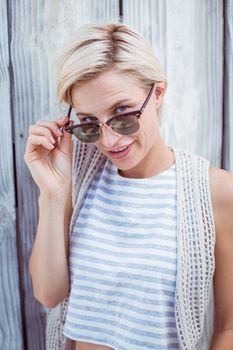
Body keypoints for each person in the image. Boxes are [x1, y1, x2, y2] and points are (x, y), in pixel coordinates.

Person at [24, 23, 233, 350]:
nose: (109, 140)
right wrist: (52, 194)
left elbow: (228, 327)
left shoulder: (215, 193)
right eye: (90, 123)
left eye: (123, 113)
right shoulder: (78, 181)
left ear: (159, 93)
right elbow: (49, 294)